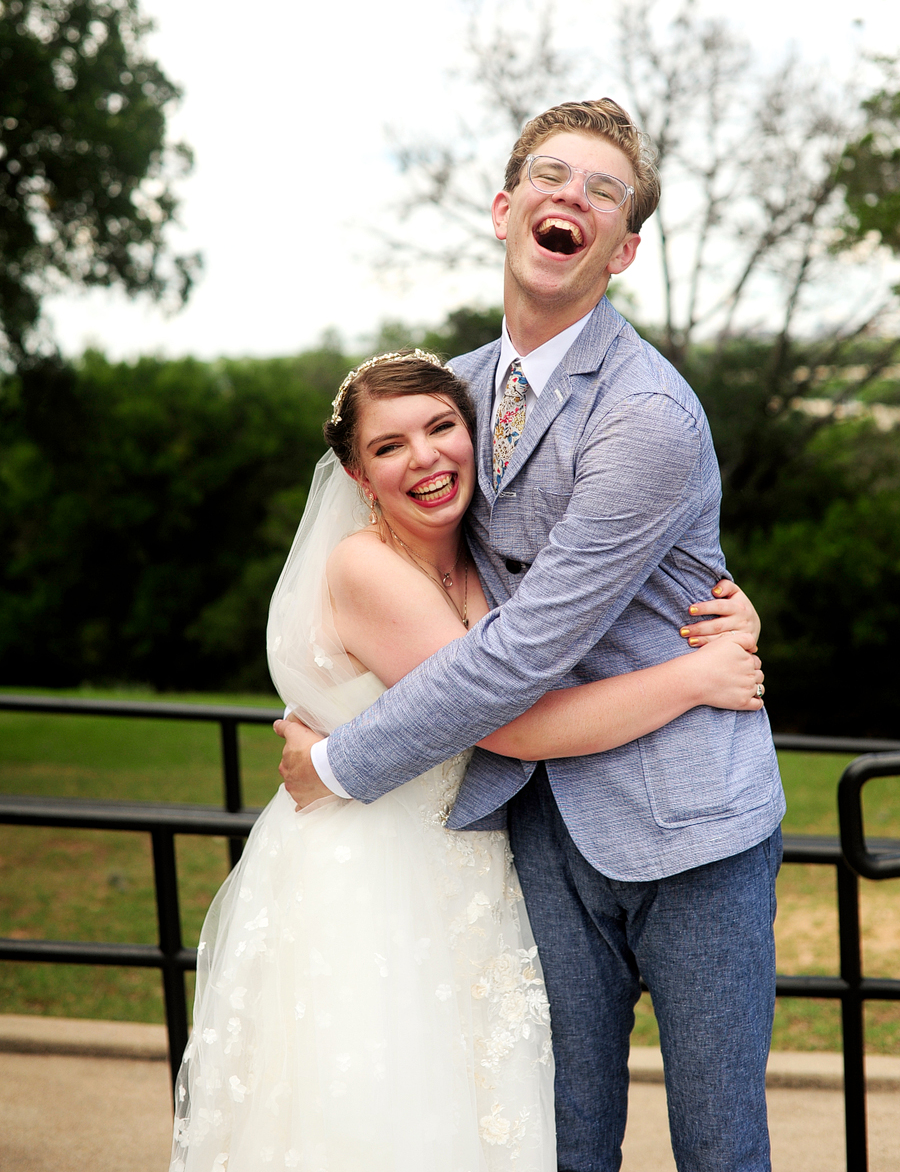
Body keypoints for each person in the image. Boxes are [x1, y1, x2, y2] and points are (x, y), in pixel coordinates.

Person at [277, 100, 786, 1172]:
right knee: (559, 1139)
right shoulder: (451, 394)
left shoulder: (646, 411)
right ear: (506, 210)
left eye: (604, 190)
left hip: (691, 818)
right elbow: (412, 561)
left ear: (625, 248)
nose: (574, 197)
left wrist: (340, 759)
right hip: (538, 822)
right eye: (551, 177)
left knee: (719, 1147)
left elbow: (523, 649)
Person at [170, 351, 765, 1172]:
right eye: (389, 446)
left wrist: (731, 608)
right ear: (357, 473)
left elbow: (618, 576)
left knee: (494, 1115)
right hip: (379, 868)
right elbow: (509, 721)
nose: (424, 456)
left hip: (476, 857)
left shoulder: (480, 541)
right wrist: (696, 677)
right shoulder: (367, 566)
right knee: (391, 1109)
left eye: (442, 427)